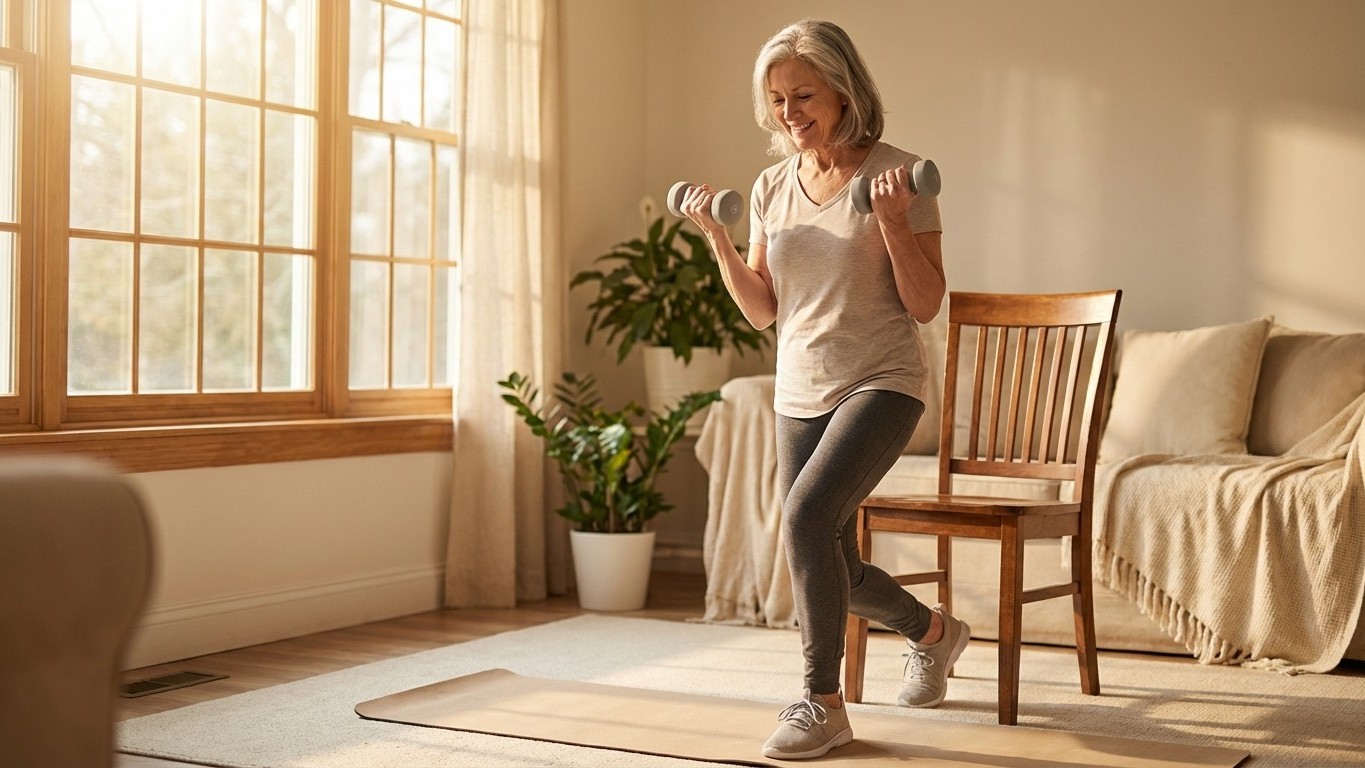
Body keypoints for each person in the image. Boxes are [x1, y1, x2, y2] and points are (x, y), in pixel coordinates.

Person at [678, 18, 971, 760]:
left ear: (843, 90)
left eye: (802, 94)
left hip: (881, 381)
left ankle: (821, 701)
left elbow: (925, 303)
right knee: (828, 553)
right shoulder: (772, 187)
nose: (788, 112)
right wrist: (717, 239)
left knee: (805, 516)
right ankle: (932, 632)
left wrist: (897, 223)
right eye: (775, 99)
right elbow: (763, 308)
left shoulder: (898, 175)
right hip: (798, 385)